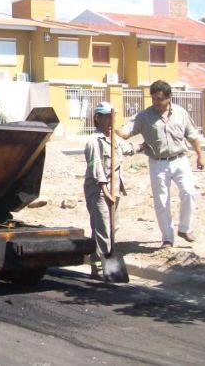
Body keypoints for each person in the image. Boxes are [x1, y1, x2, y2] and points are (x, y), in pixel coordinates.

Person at [117, 80, 204, 248]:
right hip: (158, 163)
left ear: (169, 98)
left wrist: (200, 155)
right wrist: (113, 127)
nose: (156, 102)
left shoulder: (181, 113)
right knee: (162, 201)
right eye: (153, 98)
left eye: (159, 99)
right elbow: (127, 132)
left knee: (189, 192)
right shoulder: (145, 116)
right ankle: (167, 238)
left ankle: (184, 228)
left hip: (180, 160)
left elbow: (192, 136)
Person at [84, 102, 138, 280]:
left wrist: (145, 145)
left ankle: (98, 263)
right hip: (99, 191)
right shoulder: (94, 141)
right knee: (103, 230)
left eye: (111, 116)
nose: (109, 120)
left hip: (114, 190)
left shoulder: (114, 139)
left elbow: (129, 149)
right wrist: (105, 191)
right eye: (106, 116)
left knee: (112, 228)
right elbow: (96, 168)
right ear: (97, 118)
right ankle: (99, 268)